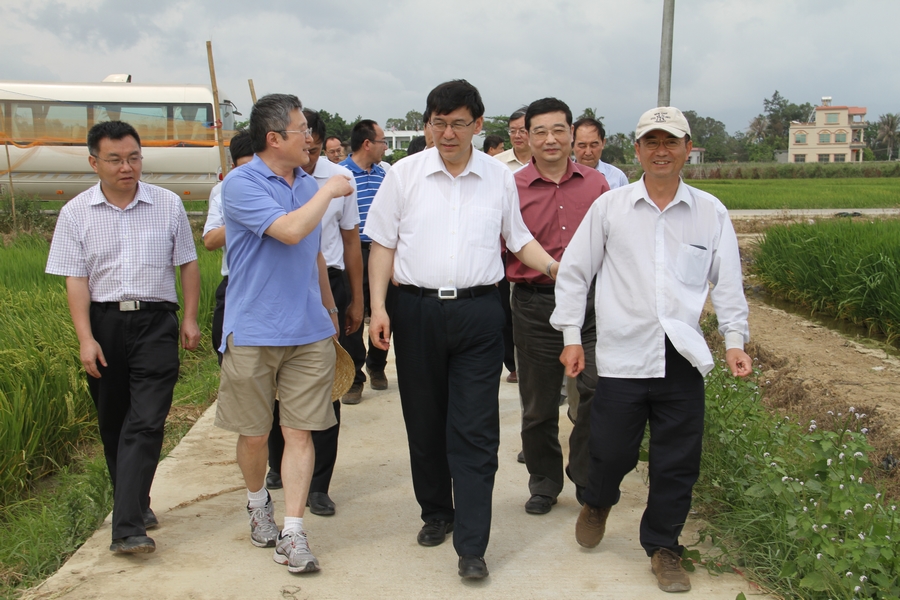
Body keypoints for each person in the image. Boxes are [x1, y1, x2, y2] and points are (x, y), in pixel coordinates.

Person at [550, 106, 753, 593]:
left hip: (681, 356)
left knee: (677, 460)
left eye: (671, 142)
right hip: (623, 353)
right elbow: (575, 272)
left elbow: (727, 281)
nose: (662, 151)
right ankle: (598, 501)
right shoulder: (611, 208)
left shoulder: (709, 212)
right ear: (638, 150)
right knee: (609, 451)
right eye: (652, 142)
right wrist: (572, 336)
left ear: (688, 148)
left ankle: (664, 546)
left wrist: (734, 340)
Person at [365, 79, 561, 581]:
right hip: (416, 311)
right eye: (439, 123)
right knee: (425, 423)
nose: (447, 133)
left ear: (478, 124)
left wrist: (555, 268)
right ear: (428, 124)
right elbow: (383, 244)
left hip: (479, 315)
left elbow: (518, 238)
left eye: (458, 124)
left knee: (475, 430)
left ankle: (473, 545)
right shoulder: (404, 175)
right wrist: (378, 308)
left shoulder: (498, 178)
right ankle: (437, 512)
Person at [46, 120, 201, 554]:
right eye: (115, 159)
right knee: (113, 422)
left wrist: (190, 318)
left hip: (156, 322)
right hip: (105, 324)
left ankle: (127, 528)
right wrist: (86, 338)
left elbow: (188, 263)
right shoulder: (75, 212)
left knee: (147, 420)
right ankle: (136, 502)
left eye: (133, 158)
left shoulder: (167, 204)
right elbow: (76, 279)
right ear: (94, 162)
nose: (126, 167)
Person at [214, 93, 353, 574]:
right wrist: (328, 191)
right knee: (255, 435)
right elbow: (290, 231)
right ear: (274, 139)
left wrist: (329, 309)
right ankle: (258, 503)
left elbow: (313, 253)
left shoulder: (307, 185)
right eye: (302, 131)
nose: (310, 139)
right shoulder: (242, 183)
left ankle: (293, 532)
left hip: (307, 331)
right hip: (254, 329)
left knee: (299, 431)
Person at [508, 98, 609, 516]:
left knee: (597, 390)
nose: (550, 139)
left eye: (558, 130)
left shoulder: (597, 185)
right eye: (540, 131)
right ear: (527, 137)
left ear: (571, 134)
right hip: (535, 304)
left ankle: (584, 475)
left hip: (591, 305)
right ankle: (544, 482)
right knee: (539, 403)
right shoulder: (511, 188)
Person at [265, 108, 364, 515]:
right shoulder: (262, 181)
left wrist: (355, 299)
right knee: (275, 385)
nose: (307, 150)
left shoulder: (339, 179)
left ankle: (319, 484)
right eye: (301, 139)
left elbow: (351, 240)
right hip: (277, 289)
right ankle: (279, 463)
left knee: (327, 387)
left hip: (328, 285)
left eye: (314, 144)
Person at [339, 119, 392, 404]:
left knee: (384, 308)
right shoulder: (341, 175)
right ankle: (354, 378)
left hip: (382, 249)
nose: (386, 147)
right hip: (353, 250)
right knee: (354, 311)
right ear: (368, 143)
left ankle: (377, 365)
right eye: (383, 142)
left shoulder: (385, 174)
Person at [202, 130, 255, 365]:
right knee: (227, 353)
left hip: (272, 285)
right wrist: (243, 217)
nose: (252, 176)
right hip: (234, 282)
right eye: (244, 169)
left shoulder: (282, 186)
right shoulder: (222, 191)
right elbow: (210, 241)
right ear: (233, 168)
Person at [572, 117, 629, 189]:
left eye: (594, 145)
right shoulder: (562, 178)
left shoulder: (618, 178)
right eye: (582, 146)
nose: (588, 152)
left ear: (603, 143)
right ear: (572, 144)